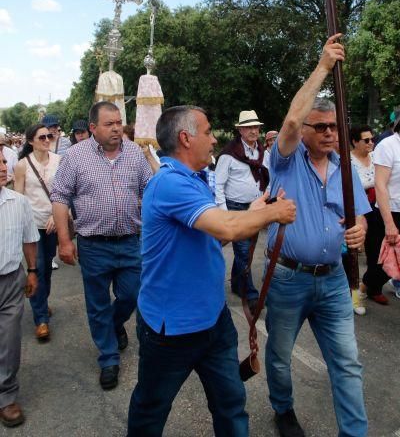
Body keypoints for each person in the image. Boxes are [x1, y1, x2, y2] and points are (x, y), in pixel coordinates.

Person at [128, 105, 296, 436]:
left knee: (231, 404)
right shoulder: (169, 184)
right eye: (207, 132)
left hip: (213, 322)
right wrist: (272, 214)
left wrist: (250, 211)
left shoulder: (192, 180)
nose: (214, 138)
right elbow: (227, 229)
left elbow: (213, 238)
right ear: (185, 138)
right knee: (151, 410)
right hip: (171, 330)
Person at [265, 36, 370, 437]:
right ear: (306, 131)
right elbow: (291, 121)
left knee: (347, 362)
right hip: (288, 279)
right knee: (278, 356)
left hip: (333, 281)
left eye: (334, 126)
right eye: (321, 126)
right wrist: (324, 65)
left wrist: (359, 230)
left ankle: (354, 434)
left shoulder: (345, 168)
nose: (329, 132)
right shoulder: (285, 160)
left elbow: (357, 217)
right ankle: (283, 409)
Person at [51, 101, 153, 390]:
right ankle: (108, 358)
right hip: (93, 245)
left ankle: (114, 324)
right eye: (109, 124)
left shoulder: (134, 153)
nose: (117, 128)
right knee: (97, 304)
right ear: (93, 128)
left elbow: (152, 190)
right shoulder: (75, 157)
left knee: (131, 295)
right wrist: (64, 240)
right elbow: (60, 197)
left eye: (119, 122)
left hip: (130, 242)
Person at [0, 151, 39, 427]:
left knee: (9, 341)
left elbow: (29, 239)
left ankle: (6, 396)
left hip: (11, 279)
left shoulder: (19, 202)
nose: (4, 168)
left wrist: (33, 270)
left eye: (3, 161)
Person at [215, 110, 269, 312]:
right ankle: (251, 295)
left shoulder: (262, 152)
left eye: (256, 127)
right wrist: (224, 211)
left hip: (256, 207)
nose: (254, 131)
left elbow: (268, 175)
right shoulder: (229, 154)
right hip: (235, 208)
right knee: (244, 252)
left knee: (247, 251)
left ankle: (238, 284)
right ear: (240, 130)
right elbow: (218, 185)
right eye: (249, 127)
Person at [14, 124, 60, 341]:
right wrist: (20, 224)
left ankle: (42, 302)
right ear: (31, 141)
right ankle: (41, 318)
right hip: (31, 225)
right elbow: (19, 197)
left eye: (49, 136)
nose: (47, 139)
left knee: (48, 269)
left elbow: (63, 192)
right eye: (42, 137)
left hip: (52, 223)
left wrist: (56, 215)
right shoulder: (22, 165)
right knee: (38, 267)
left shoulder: (59, 161)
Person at [350, 126, 387, 308]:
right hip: (359, 209)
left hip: (379, 206)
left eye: (372, 139)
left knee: (381, 250)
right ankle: (355, 294)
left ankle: (373, 287)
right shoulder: (346, 160)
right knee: (356, 255)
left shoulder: (376, 157)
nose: (371, 142)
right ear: (355, 142)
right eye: (366, 140)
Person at [374, 111, 400, 299]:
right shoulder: (388, 145)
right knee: (383, 261)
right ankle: (364, 288)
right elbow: (380, 185)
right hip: (390, 211)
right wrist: (390, 224)